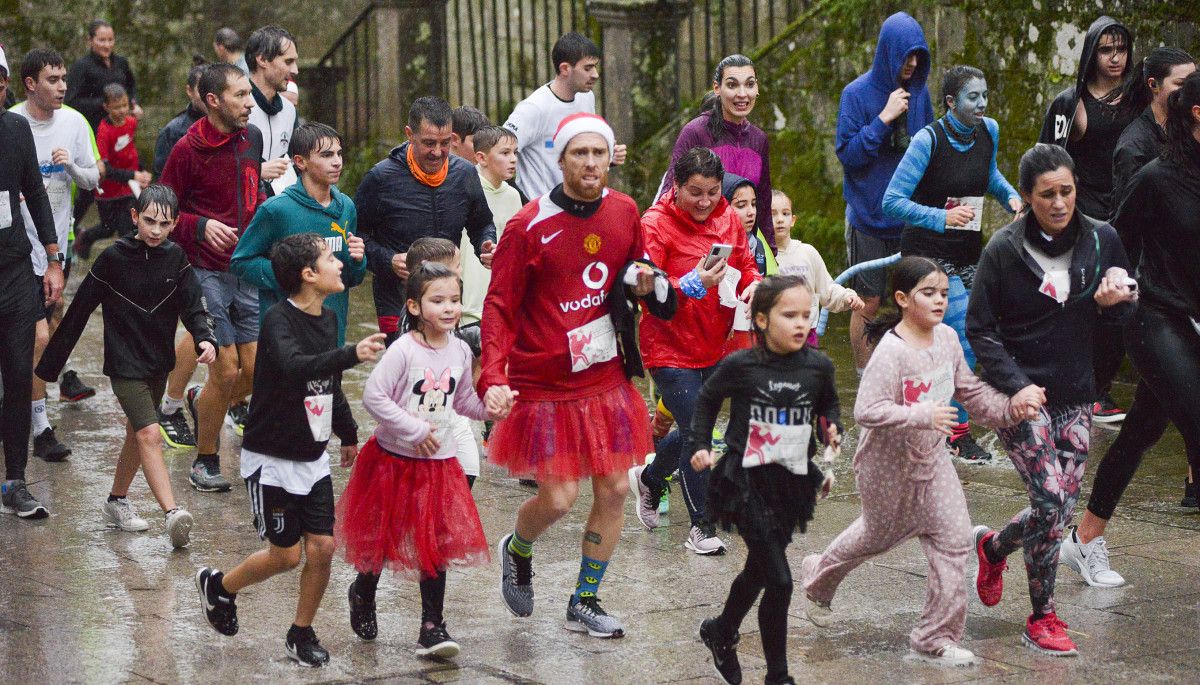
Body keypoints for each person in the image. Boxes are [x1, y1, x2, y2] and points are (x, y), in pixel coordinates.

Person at [483, 113, 669, 637]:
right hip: (545, 382)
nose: (590, 163)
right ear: (560, 160)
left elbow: (636, 269)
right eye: (578, 154)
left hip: (605, 375)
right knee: (559, 498)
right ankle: (517, 547)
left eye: (598, 153)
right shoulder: (528, 225)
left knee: (614, 490)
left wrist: (646, 282)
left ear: (611, 156)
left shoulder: (625, 211)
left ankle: (584, 598)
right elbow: (498, 305)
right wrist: (493, 374)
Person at [803, 256, 1033, 668]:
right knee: (875, 537)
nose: (940, 301)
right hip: (884, 466)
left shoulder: (946, 338)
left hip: (933, 460)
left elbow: (970, 393)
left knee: (956, 539)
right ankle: (818, 577)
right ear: (903, 299)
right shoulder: (891, 351)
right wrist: (923, 414)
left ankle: (934, 636)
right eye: (929, 293)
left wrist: (1011, 407)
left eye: (944, 293)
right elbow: (866, 410)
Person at [967, 143, 1137, 656]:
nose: (1060, 203)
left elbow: (1127, 314)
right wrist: (1016, 385)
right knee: (1049, 501)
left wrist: (1114, 302)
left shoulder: (1102, 239)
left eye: (1067, 192)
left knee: (1058, 511)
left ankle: (993, 547)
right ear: (1026, 197)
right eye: (1047, 195)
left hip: (1077, 393)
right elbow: (980, 330)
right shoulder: (1002, 249)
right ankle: (1042, 617)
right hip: (1020, 396)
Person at [195, 233, 386, 667]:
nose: (340, 265)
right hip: (273, 460)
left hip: (312, 455)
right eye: (329, 259)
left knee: (322, 547)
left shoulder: (328, 320)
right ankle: (221, 587)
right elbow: (298, 368)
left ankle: (301, 633)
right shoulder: (277, 320)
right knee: (286, 555)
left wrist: (348, 432)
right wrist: (351, 354)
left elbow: (326, 384)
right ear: (308, 275)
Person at [1064, 72, 1200, 586]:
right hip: (1155, 317)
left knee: (1142, 431)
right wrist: (1110, 283)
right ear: (1197, 113)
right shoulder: (1157, 176)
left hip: (1194, 322)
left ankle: (1085, 539)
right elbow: (1113, 242)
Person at [338, 262, 508, 656]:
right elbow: (374, 398)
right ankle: (363, 590)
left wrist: (492, 411)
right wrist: (413, 430)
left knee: (436, 544)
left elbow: (462, 400)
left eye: (454, 300)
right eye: (437, 300)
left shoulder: (462, 350)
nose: (449, 308)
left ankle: (432, 625)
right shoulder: (403, 350)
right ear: (414, 306)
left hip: (439, 464)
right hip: (392, 461)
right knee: (383, 536)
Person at [34, 185, 216, 547]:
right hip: (124, 363)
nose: (154, 230)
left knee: (137, 433)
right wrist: (48, 367)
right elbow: (81, 309)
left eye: (164, 224)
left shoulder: (177, 259)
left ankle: (116, 502)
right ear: (134, 217)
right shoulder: (114, 258)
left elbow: (194, 305)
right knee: (150, 432)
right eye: (148, 221)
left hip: (157, 364)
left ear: (175, 224)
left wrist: (205, 337)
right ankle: (172, 513)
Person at [691, 275, 839, 685]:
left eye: (807, 315)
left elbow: (828, 406)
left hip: (791, 484)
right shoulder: (742, 365)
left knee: (758, 570)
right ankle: (779, 677)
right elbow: (706, 399)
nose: (800, 324)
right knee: (780, 580)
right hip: (744, 484)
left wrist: (831, 431)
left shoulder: (818, 366)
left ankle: (721, 631)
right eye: (789, 315)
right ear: (760, 320)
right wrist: (701, 444)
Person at [883, 64, 1021, 462]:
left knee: (972, 336)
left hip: (966, 252)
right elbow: (891, 202)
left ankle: (928, 414)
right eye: (972, 97)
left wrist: (1010, 197)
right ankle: (955, 431)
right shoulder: (927, 140)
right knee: (962, 334)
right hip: (927, 254)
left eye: (984, 96)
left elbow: (989, 173)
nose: (981, 104)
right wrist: (941, 218)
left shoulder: (988, 131)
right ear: (949, 102)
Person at [629, 148, 761, 556]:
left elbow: (745, 264)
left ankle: (650, 479)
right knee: (698, 430)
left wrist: (753, 284)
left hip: (714, 342)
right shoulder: (654, 224)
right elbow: (646, 288)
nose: (705, 202)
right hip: (667, 348)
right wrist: (693, 281)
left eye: (712, 192)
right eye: (694, 192)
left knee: (690, 430)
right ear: (675, 186)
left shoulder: (726, 217)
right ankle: (702, 527)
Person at [159, 62, 265, 493]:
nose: (249, 103)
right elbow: (164, 212)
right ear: (213, 100)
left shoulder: (252, 138)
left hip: (247, 268)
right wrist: (201, 227)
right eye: (240, 95)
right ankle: (205, 461)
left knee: (257, 369)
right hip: (203, 272)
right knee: (225, 368)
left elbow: (255, 193)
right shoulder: (186, 149)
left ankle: (204, 403)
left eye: (249, 94)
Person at [1039, 17, 1137, 422]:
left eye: (1122, 49)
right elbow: (1046, 157)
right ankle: (1084, 390)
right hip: (1087, 216)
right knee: (1080, 303)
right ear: (1091, 53)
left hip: (1130, 212)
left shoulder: (1139, 99)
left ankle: (1099, 386)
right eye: (1106, 49)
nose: (1115, 58)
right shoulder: (1069, 103)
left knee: (1126, 301)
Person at [13, 48, 103, 462]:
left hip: (55, 248)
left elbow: (93, 179)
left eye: (65, 78)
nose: (63, 86)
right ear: (31, 83)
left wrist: (70, 169)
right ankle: (39, 426)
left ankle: (31, 413)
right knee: (37, 337)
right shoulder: (12, 124)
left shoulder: (75, 123)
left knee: (44, 331)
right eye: (53, 79)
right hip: (14, 248)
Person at [836, 11, 934, 376]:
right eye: (905, 55)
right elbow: (849, 155)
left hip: (910, 218)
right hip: (869, 217)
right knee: (869, 302)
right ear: (886, 52)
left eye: (917, 57)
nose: (910, 64)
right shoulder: (856, 94)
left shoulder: (920, 94)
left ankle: (907, 379)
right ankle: (865, 379)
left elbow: (930, 147)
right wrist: (883, 119)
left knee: (913, 301)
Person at [355, 96, 496, 346]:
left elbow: (482, 223)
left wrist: (486, 243)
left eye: (444, 143)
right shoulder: (380, 178)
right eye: (429, 143)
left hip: (445, 292)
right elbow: (358, 237)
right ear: (410, 134)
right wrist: (387, 260)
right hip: (396, 294)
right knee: (407, 367)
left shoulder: (464, 173)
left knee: (443, 365)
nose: (438, 152)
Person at [0, 43, 63, 520]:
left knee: (20, 374)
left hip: (15, 270)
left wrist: (55, 258)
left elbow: (35, 195)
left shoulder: (15, 129)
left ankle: (15, 480)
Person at [232, 121, 366, 346]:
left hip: (332, 333)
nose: (336, 162)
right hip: (286, 336)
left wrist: (358, 260)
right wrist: (289, 276)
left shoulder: (347, 207)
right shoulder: (276, 209)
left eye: (339, 154)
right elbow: (241, 262)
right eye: (326, 155)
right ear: (300, 162)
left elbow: (352, 278)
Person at [660, 55, 775, 250]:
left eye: (749, 84)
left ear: (757, 89)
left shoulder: (759, 139)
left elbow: (763, 201)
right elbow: (670, 193)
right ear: (717, 88)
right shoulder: (695, 132)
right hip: (698, 247)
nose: (742, 94)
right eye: (732, 85)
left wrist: (771, 250)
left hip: (746, 249)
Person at [502, 32, 626, 199]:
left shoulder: (586, 97)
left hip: (580, 205)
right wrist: (523, 203)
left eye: (595, 67)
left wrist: (608, 157)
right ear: (565, 69)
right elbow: (499, 153)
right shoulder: (533, 108)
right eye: (588, 68)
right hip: (543, 213)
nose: (596, 74)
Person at [772, 188, 865, 347]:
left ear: (793, 220)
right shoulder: (760, 256)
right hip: (773, 336)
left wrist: (846, 297)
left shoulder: (807, 252)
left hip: (806, 335)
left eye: (785, 213)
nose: (780, 219)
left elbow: (827, 290)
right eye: (772, 214)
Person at [74, 84, 151, 259]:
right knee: (107, 228)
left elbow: (130, 152)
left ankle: (130, 262)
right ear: (106, 107)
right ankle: (85, 237)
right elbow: (106, 169)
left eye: (125, 105)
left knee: (128, 227)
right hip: (108, 191)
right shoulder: (104, 132)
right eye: (117, 107)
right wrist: (134, 175)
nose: (122, 110)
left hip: (127, 188)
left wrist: (142, 170)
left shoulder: (131, 123)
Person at [1111, 48, 1195, 206]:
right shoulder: (1134, 145)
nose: (1190, 91)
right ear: (1154, 84)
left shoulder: (1191, 126)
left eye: (1193, 83)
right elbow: (1126, 216)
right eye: (1181, 84)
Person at [461, 125, 521, 328]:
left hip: (500, 301)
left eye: (515, 152)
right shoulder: (464, 188)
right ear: (481, 158)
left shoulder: (513, 196)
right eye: (505, 153)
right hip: (466, 304)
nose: (513, 159)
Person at [246, 25, 300, 197]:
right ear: (262, 59)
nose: (295, 70)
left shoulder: (290, 110)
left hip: (278, 213)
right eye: (288, 61)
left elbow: (296, 163)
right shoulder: (234, 106)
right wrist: (257, 171)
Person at [66, 19, 143, 130]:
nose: (107, 45)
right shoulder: (81, 66)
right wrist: (105, 103)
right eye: (102, 40)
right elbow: (71, 101)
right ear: (90, 40)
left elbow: (131, 87)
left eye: (110, 40)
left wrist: (134, 104)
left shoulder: (121, 62)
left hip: (121, 128)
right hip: (95, 128)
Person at [153, 58, 207, 178]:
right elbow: (163, 179)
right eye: (202, 90)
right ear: (189, 90)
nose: (208, 97)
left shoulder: (228, 126)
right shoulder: (172, 132)